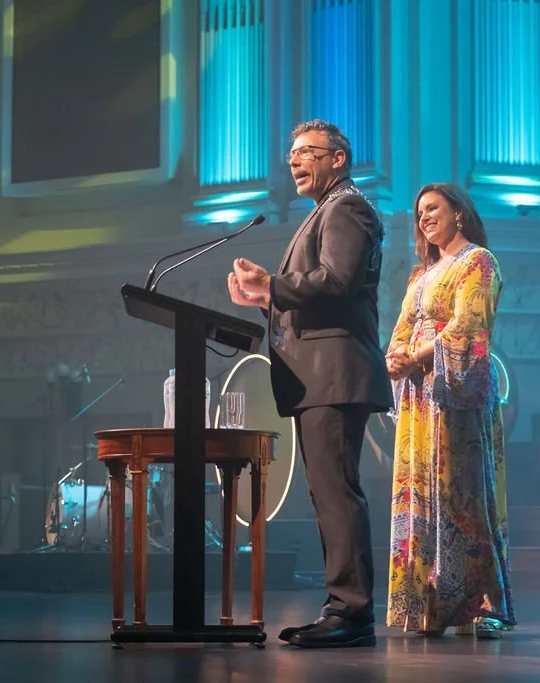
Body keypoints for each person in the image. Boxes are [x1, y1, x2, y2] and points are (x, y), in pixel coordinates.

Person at [227, 119, 392, 648]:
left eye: (306, 152)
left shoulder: (347, 207)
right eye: (291, 154)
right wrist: (265, 297)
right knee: (328, 495)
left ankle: (351, 612)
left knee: (336, 496)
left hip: (335, 375)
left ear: (337, 158)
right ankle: (343, 607)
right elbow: (318, 292)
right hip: (320, 378)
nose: (294, 161)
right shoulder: (326, 210)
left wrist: (273, 285)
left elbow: (337, 281)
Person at [384, 183, 516, 637]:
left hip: (457, 391)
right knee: (422, 491)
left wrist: (415, 356)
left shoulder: (478, 262)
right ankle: (429, 604)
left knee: (462, 491)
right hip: (420, 396)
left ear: (458, 212)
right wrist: (395, 357)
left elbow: (468, 327)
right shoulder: (421, 274)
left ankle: (480, 604)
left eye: (432, 208)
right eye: (419, 212)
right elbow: (402, 326)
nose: (424, 217)